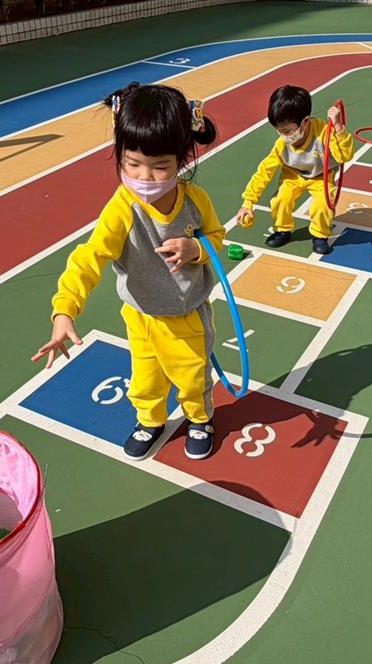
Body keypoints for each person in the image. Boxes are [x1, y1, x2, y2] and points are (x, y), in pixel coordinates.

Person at [33, 82, 226, 461]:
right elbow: (89, 256)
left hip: (187, 315)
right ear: (119, 154)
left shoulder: (195, 201)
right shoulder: (122, 208)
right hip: (141, 316)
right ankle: (150, 420)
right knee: (145, 378)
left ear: (182, 159)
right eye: (131, 163)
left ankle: (199, 418)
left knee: (192, 376)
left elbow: (217, 238)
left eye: (160, 166)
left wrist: (196, 249)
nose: (145, 177)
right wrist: (65, 309)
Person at [237, 85, 352, 256]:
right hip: (293, 175)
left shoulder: (324, 133)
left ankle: (320, 235)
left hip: (321, 176)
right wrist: (248, 202)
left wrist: (338, 127)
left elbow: (345, 156)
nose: (283, 135)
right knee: (280, 200)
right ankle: (282, 230)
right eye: (278, 130)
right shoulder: (282, 145)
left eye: (287, 130)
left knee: (322, 204)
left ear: (305, 121)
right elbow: (264, 171)